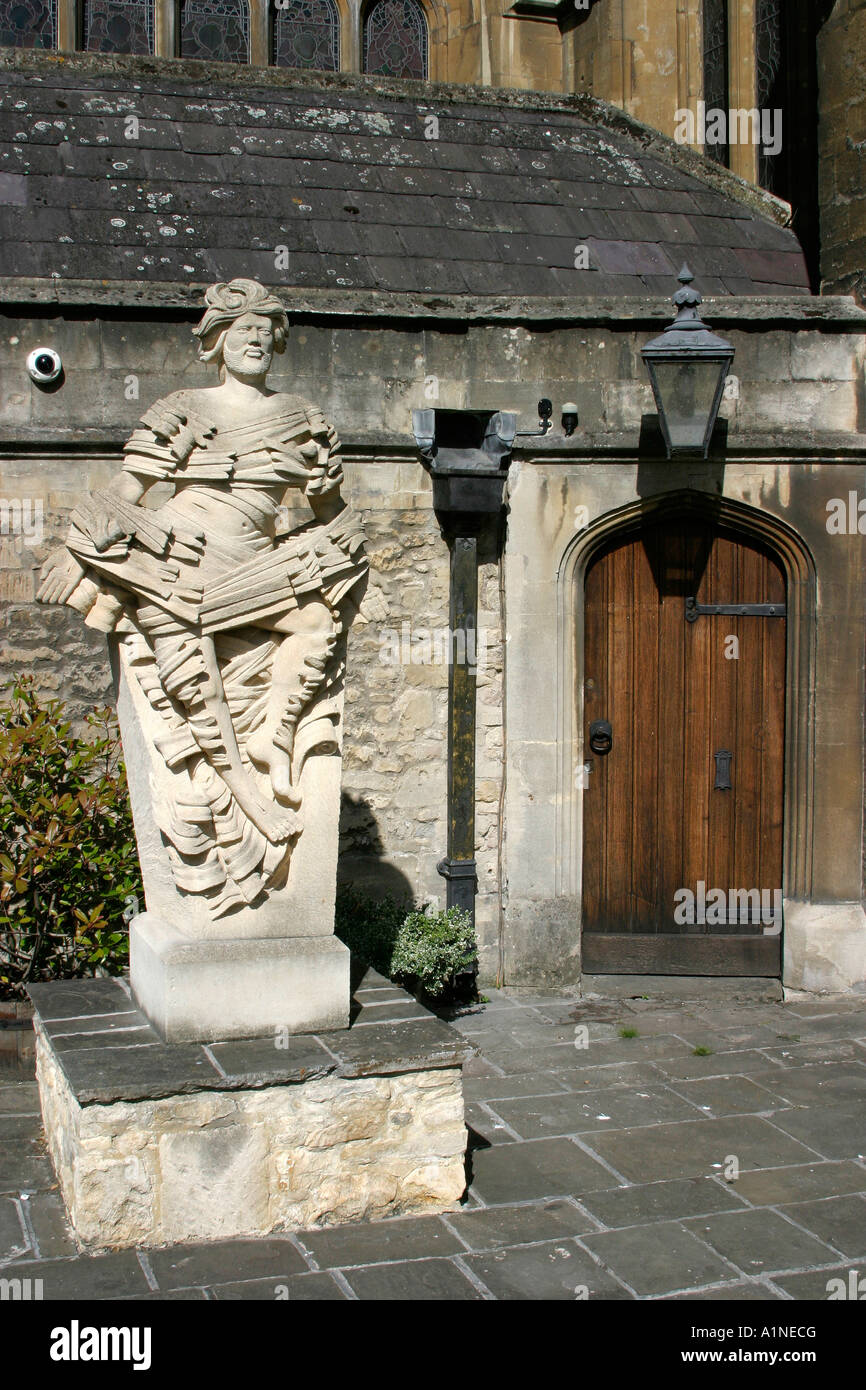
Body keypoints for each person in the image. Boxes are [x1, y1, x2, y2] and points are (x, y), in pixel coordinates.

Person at [39, 279, 367, 912]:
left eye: (263, 329)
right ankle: (244, 792)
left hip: (256, 562)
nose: (253, 339)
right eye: (239, 328)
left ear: (277, 340)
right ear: (216, 340)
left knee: (314, 622)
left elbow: (330, 511)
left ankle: (277, 732)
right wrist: (102, 540)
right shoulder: (182, 408)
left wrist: (332, 513)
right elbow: (123, 493)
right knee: (193, 680)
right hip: (179, 560)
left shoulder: (304, 419)